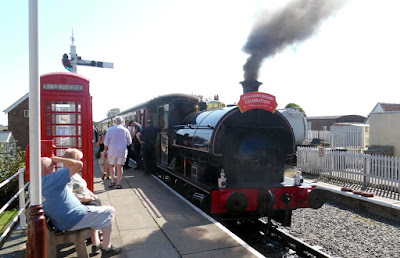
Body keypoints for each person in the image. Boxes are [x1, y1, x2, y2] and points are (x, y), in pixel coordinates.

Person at [40, 156, 122, 255]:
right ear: (47, 169)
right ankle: (107, 249)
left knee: (95, 210)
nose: (55, 167)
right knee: (110, 211)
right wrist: (58, 159)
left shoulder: (34, 185)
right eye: (53, 165)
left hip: (59, 222)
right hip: (73, 218)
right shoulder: (53, 178)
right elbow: (79, 165)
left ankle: (97, 241)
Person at [104, 116, 132, 189]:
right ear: (122, 122)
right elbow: (129, 142)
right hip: (122, 151)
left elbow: (106, 142)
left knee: (112, 166)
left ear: (115, 122)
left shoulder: (109, 130)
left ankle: (112, 182)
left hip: (112, 150)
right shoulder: (126, 130)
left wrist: (105, 151)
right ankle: (118, 184)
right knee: (120, 167)